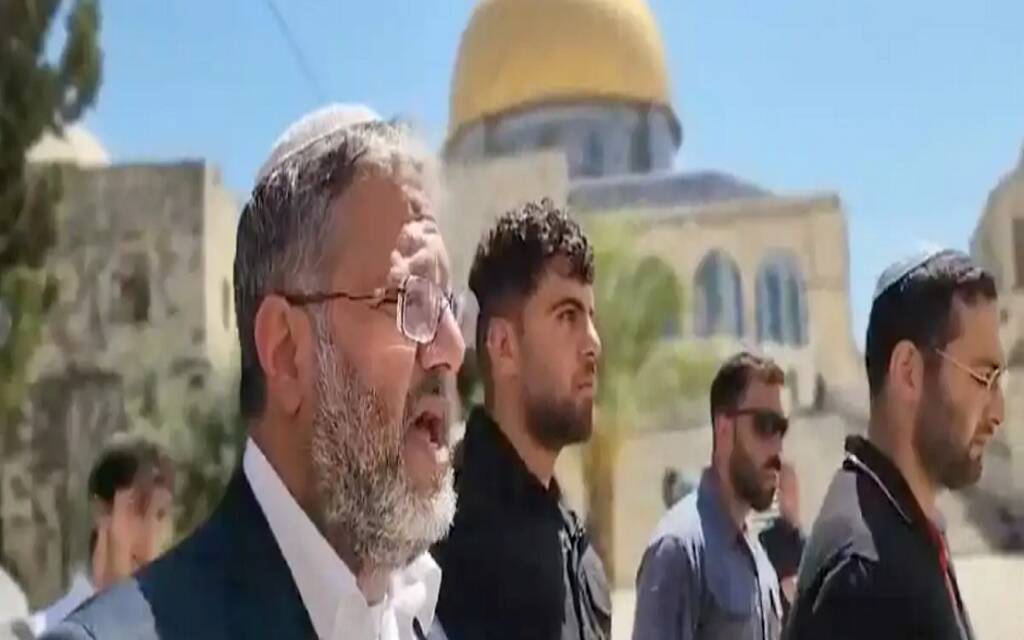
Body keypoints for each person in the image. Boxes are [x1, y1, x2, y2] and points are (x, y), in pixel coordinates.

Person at [43, 104, 465, 639]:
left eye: (448, 304)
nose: (452, 347)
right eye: (411, 301)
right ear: (286, 351)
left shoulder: (419, 622)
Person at [784, 249, 1002, 640]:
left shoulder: (905, 523)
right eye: (982, 378)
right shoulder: (865, 575)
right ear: (908, 372)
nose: (998, 411)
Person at [431, 200, 611, 640]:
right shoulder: (440, 542)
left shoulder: (578, 551)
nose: (593, 343)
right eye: (567, 316)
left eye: (591, 317)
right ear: (503, 346)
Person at [632, 352, 787, 640]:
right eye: (765, 426)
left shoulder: (760, 561)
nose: (777, 448)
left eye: (782, 430)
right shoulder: (679, 550)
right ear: (724, 428)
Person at [31, 437, 174, 636]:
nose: (149, 536)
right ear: (101, 510)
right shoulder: (42, 631)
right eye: (137, 511)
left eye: (160, 515)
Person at [756, 463, 804, 619]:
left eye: (795, 492)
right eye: (789, 492)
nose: (794, 499)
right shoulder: (765, 541)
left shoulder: (804, 543)